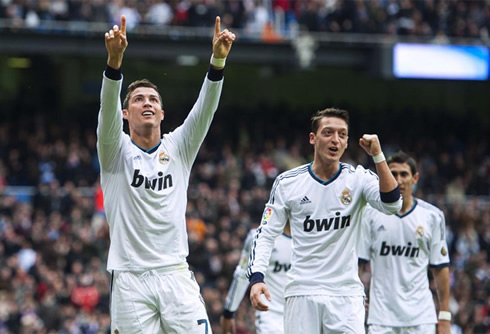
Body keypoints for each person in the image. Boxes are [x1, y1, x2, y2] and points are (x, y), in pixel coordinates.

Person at [97, 14, 235, 333]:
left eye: (153, 99)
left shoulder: (179, 147)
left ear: (162, 113)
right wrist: (114, 62)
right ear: (125, 112)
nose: (147, 103)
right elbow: (106, 110)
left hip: (175, 273)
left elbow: (205, 110)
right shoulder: (114, 150)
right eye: (138, 99)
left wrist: (217, 61)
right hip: (130, 279)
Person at [247, 108, 402, 334]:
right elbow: (266, 233)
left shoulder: (358, 178)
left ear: (348, 142)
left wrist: (378, 156)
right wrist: (257, 277)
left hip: (345, 295)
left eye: (342, 134)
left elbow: (392, 204)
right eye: (328, 133)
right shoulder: (288, 182)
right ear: (313, 138)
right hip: (302, 292)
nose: (335, 140)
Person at [358, 151, 451, 334]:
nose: (398, 180)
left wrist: (445, 316)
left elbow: (440, 269)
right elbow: (358, 263)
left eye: (404, 174)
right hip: (381, 318)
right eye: (393, 174)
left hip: (420, 318)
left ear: (415, 178)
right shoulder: (369, 214)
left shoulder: (432, 216)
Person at [221, 223, 292, 334]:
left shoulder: (311, 238)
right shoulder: (259, 236)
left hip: (302, 313)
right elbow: (242, 275)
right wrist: (229, 311)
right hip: (270, 317)